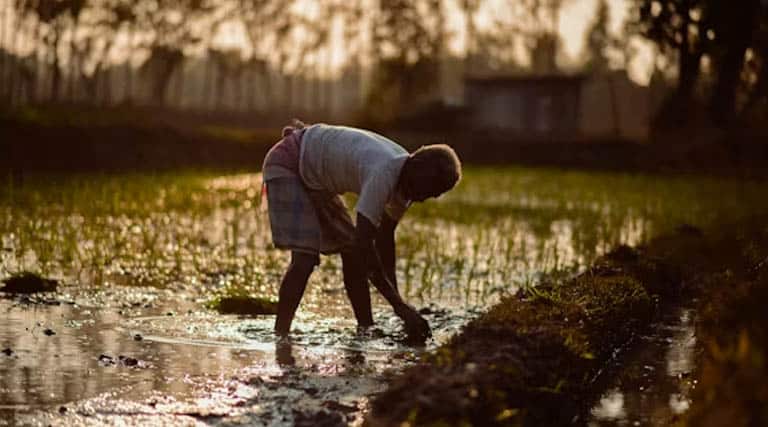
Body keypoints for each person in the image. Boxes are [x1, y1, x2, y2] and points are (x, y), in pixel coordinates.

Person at [262, 120, 461, 341]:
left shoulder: (407, 186)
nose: (426, 197)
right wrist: (400, 308)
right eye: (430, 188)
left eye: (435, 194)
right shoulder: (385, 172)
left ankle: (365, 328)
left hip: (315, 177)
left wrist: (399, 307)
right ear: (417, 168)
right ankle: (281, 336)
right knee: (305, 259)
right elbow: (364, 244)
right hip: (288, 163)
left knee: (351, 252)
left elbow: (384, 241)